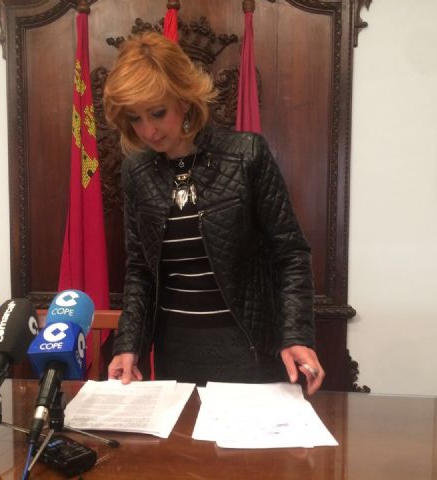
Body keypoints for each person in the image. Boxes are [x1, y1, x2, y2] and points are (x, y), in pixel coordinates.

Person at [103, 32, 324, 395]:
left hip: (249, 348)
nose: (149, 130)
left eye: (157, 113)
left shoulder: (246, 155)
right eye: (135, 118)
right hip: (176, 353)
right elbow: (140, 269)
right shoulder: (137, 172)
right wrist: (129, 345)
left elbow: (290, 254)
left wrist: (296, 333)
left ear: (184, 99)